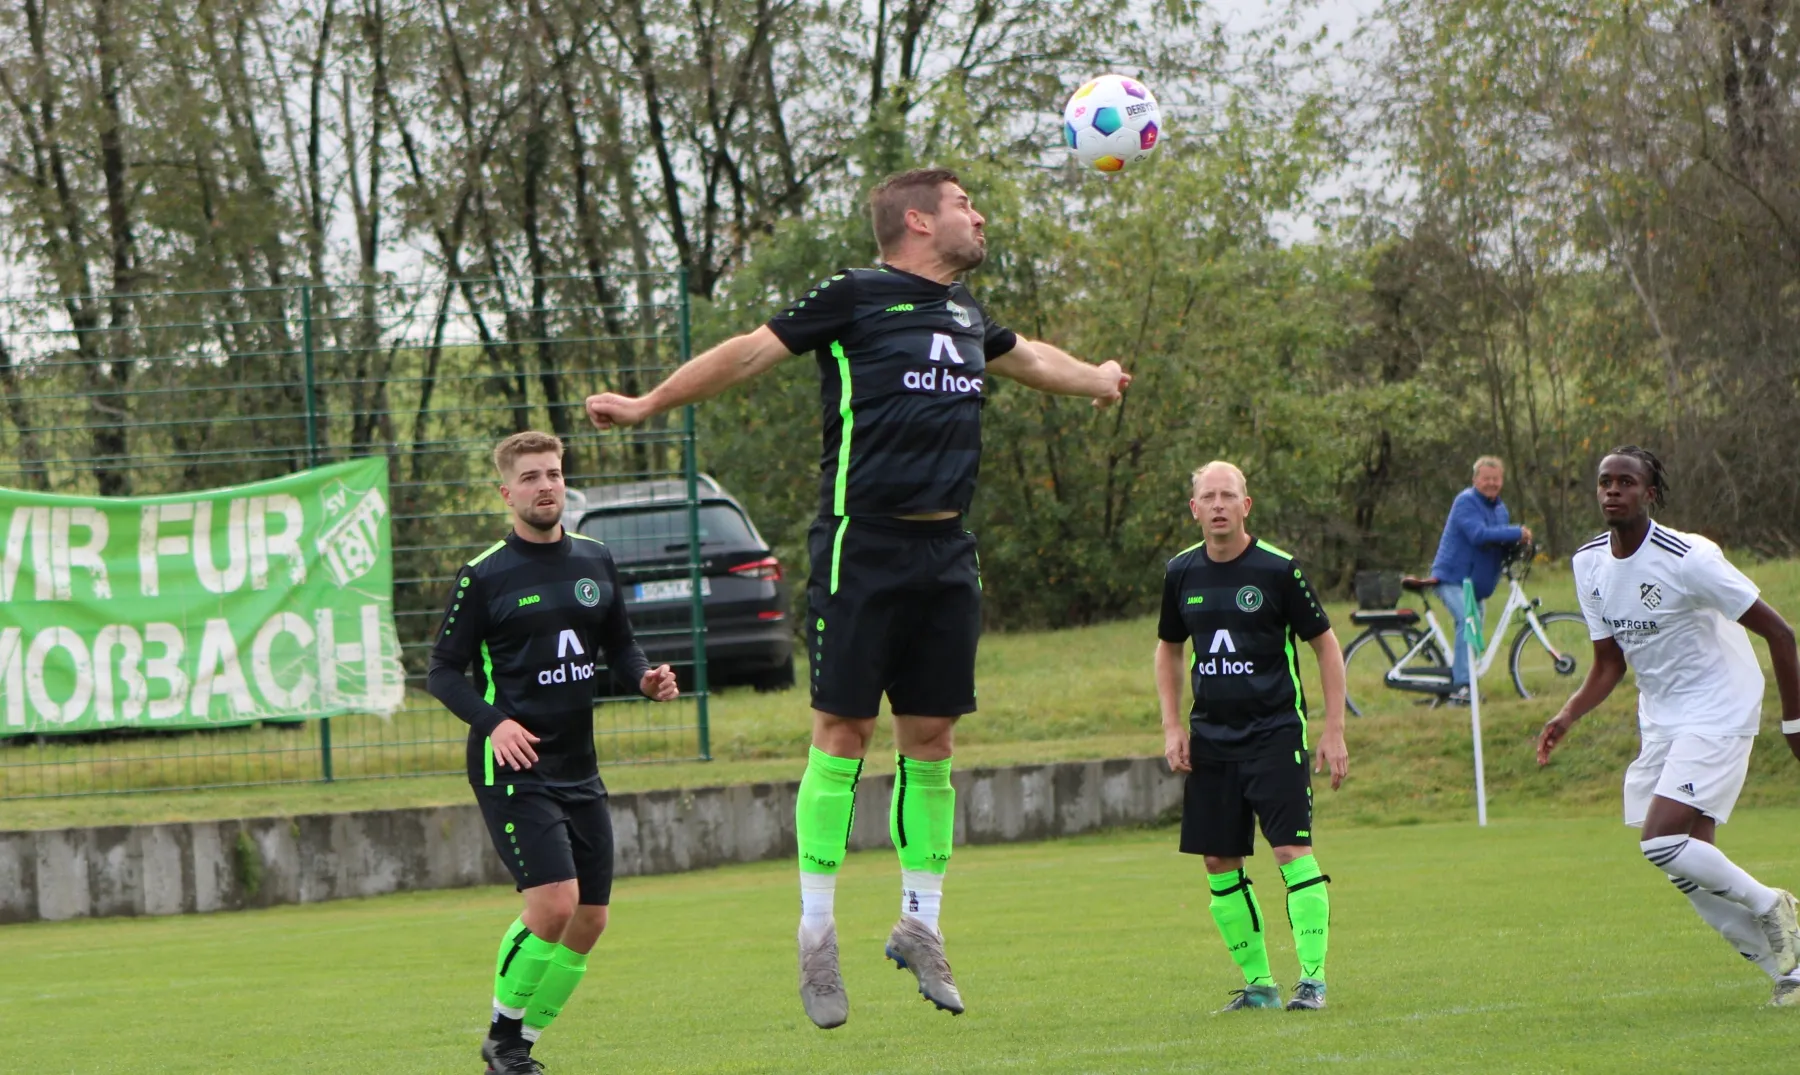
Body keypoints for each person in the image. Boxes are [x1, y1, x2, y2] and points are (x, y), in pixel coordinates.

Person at [585, 167, 1131, 1028]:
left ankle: (921, 923)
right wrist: (650, 402)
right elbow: (749, 351)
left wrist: (1096, 377)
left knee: (934, 740)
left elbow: (1029, 358)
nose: (979, 216)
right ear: (917, 220)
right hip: (861, 545)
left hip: (947, 549)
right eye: (963, 205)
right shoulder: (856, 295)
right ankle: (815, 932)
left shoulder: (965, 313)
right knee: (844, 732)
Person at [426, 431, 681, 1074]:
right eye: (531, 477)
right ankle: (500, 1037)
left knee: (590, 920)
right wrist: (494, 724)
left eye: (554, 474)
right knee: (554, 904)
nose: (546, 486)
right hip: (513, 766)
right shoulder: (484, 575)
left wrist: (645, 678)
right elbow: (442, 672)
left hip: (579, 764)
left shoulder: (595, 559)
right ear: (506, 493)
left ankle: (520, 1047)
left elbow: (620, 646)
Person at [1537, 446, 1800, 1007]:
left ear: (1650, 494)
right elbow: (1609, 663)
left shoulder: (1690, 558)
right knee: (1686, 866)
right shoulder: (1588, 564)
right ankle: (1791, 973)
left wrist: (1794, 723)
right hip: (1661, 716)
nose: (1613, 490)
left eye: (1626, 481)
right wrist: (1568, 713)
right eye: (1604, 481)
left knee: (1660, 841)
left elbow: (1781, 634)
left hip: (1720, 704)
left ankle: (1773, 903)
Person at [1154, 461, 1349, 1013]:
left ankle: (1312, 980)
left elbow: (1326, 645)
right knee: (1218, 860)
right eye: (1208, 496)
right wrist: (1172, 726)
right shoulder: (1180, 573)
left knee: (1290, 850)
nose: (1218, 505)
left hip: (1275, 732)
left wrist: (1333, 730)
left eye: (1228, 495)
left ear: (1246, 505)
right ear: (1194, 509)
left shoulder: (1278, 570)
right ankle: (1260, 985)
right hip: (1211, 739)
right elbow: (1169, 649)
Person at [1429, 456, 1532, 702]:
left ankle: (1467, 679)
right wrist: (1516, 531)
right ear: (1475, 480)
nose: (1491, 483)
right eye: (1486, 478)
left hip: (1473, 583)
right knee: (1468, 621)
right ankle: (1462, 688)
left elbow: (1497, 541)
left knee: (1474, 628)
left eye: (1496, 479)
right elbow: (1479, 534)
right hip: (1452, 578)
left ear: (1502, 481)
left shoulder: (1500, 509)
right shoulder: (1465, 501)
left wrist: (1519, 544)